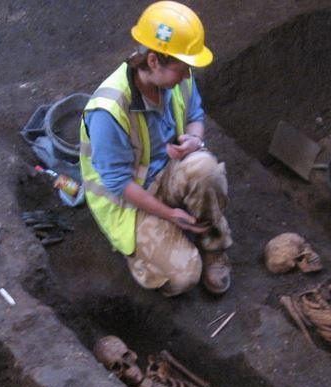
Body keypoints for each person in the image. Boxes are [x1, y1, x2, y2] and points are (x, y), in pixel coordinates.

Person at [79, 1, 232, 297]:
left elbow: (195, 117)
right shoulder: (108, 111)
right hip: (127, 200)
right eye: (182, 68)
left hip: (166, 173)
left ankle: (214, 247)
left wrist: (194, 140)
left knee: (205, 169)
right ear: (153, 61)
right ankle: (144, 255)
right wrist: (169, 214)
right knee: (185, 277)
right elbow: (118, 182)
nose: (188, 75)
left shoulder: (177, 79)